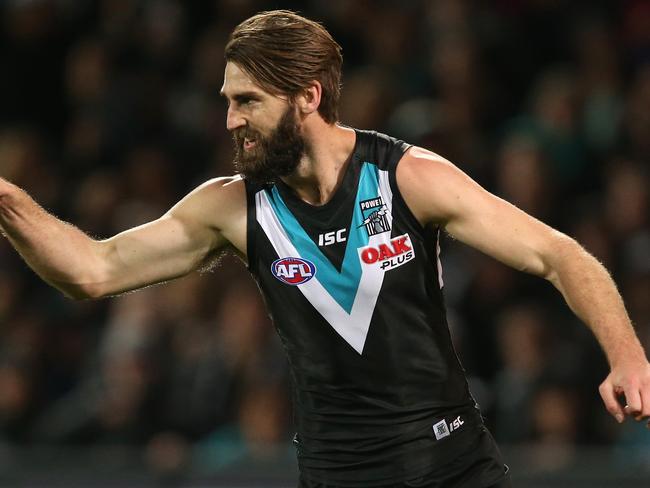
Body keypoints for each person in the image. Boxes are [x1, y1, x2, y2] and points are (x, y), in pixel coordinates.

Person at [0, 9, 648, 488]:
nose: (230, 121)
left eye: (247, 101)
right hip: (333, 476)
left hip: (452, 468)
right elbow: (91, 270)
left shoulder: (406, 178)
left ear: (307, 97)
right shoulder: (231, 208)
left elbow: (558, 254)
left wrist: (625, 357)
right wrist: (6, 200)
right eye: (227, 102)